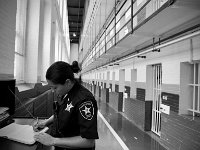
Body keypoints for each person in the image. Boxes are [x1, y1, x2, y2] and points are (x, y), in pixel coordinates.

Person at [33, 61, 99, 150]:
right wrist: (46, 122)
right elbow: (62, 112)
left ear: (67, 82)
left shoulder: (84, 101)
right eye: (51, 87)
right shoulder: (65, 92)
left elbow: (88, 142)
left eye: (55, 87)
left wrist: (53, 141)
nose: (52, 91)